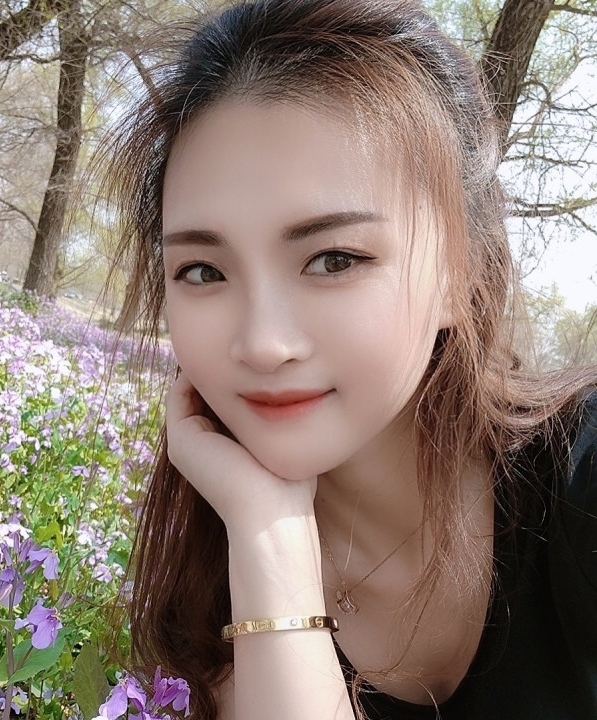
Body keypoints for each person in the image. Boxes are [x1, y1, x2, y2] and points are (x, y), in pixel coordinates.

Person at [96, 0, 597, 717]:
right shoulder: (207, 583)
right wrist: (268, 538)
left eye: (334, 259)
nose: (263, 345)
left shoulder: (581, 477)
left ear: (460, 273)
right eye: (203, 271)